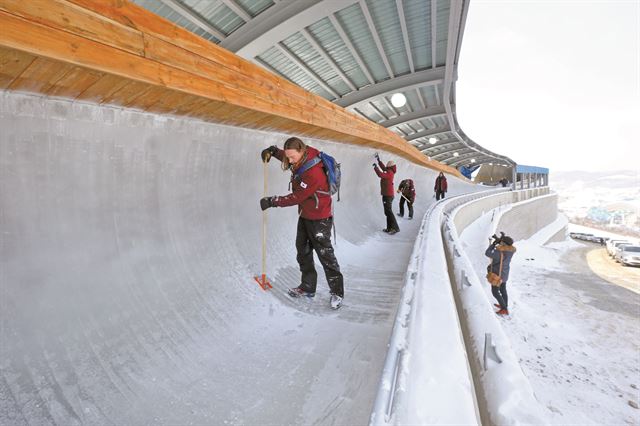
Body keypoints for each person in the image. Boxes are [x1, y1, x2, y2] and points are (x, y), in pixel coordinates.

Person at [260, 137, 344, 310]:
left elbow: (297, 197)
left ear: (302, 150)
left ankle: (337, 292)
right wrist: (274, 152)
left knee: (325, 255)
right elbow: (287, 154)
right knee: (303, 252)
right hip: (306, 215)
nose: (289, 161)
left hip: (320, 218)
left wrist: (273, 201)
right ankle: (307, 287)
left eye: (292, 158)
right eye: (288, 157)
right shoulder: (301, 156)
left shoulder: (313, 173)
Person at [485, 234, 516, 315]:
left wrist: (493, 244)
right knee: (503, 290)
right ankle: (504, 304)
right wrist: (501, 242)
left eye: (501, 242)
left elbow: (487, 253)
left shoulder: (499, 253)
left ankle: (504, 309)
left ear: (504, 244)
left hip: (497, 276)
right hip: (505, 274)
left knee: (495, 291)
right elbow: (504, 247)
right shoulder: (510, 251)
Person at [373, 153, 400, 234]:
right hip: (387, 194)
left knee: (388, 212)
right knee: (387, 212)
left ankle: (395, 228)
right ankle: (389, 228)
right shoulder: (389, 171)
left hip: (388, 195)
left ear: (390, 166)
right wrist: (379, 161)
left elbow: (381, 174)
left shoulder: (390, 173)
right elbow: (384, 168)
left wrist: (375, 168)